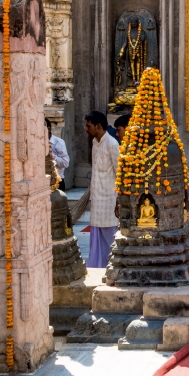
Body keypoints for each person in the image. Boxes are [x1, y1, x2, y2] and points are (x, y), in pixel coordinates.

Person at [85, 111, 120, 267]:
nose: (86, 129)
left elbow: (120, 173)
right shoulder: (94, 142)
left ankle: (113, 265)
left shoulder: (112, 144)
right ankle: (96, 265)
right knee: (97, 234)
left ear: (98, 126)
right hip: (97, 198)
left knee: (110, 236)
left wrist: (119, 199)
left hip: (109, 199)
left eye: (89, 126)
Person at [46, 118, 69, 192]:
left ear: (48, 128)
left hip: (57, 181)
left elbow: (66, 163)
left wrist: (52, 156)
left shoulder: (59, 142)